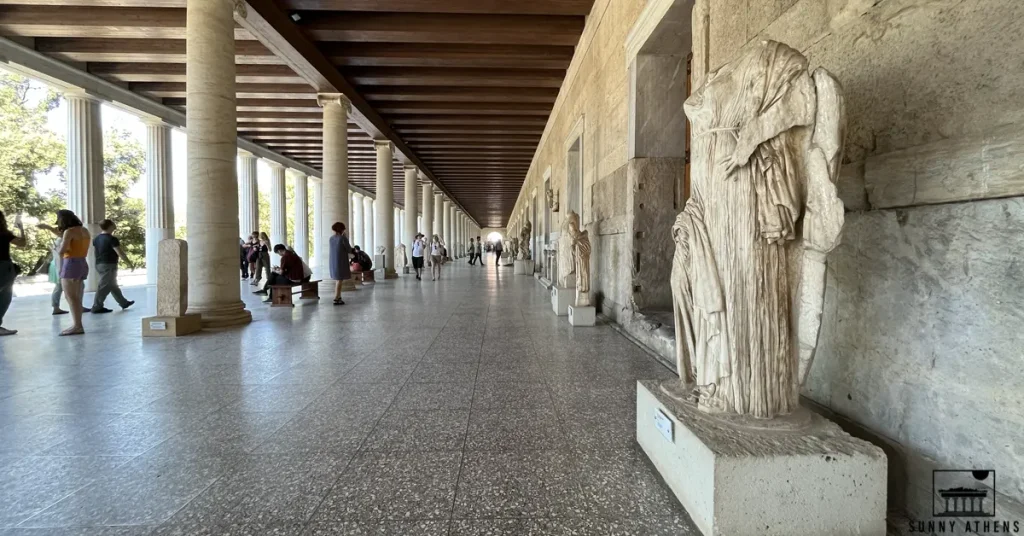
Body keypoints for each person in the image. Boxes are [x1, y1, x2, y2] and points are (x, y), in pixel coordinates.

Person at [88, 219, 135, 313]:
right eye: (113, 223)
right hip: (109, 264)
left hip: (99, 264)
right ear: (110, 226)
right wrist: (128, 263)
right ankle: (97, 306)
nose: (115, 224)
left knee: (112, 284)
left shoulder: (96, 239)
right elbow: (120, 252)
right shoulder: (112, 239)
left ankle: (123, 302)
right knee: (104, 286)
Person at [55, 209, 90, 336]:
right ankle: (77, 324)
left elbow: (62, 250)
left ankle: (77, 325)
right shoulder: (84, 230)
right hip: (82, 262)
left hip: (70, 264)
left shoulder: (69, 232)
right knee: (76, 296)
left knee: (71, 297)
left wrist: (56, 248)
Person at [0, 210, 27, 336]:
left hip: (5, 267)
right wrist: (21, 228)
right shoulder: (4, 234)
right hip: (4, 267)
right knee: (5, 297)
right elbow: (22, 243)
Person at [36, 222, 68, 315]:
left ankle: (56, 307)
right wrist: (47, 227)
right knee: (60, 287)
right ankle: (56, 307)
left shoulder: (58, 240)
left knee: (60, 287)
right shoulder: (62, 239)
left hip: (57, 265)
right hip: (60, 265)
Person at [328, 222, 352, 305]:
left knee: (338, 280)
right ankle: (336, 297)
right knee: (339, 280)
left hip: (333, 261)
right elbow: (349, 249)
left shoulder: (331, 238)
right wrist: (345, 238)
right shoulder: (342, 238)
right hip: (341, 261)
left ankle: (338, 296)